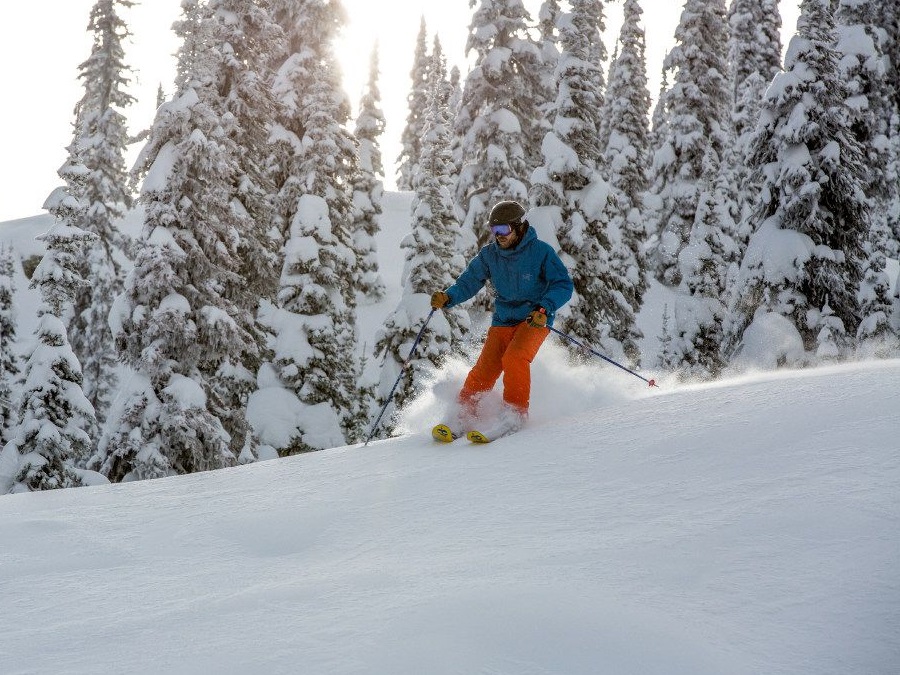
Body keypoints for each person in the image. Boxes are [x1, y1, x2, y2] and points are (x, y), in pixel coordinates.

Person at [431, 200, 573, 438]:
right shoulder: (490, 255)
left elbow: (563, 284)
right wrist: (448, 297)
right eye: (494, 230)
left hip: (533, 319)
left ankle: (514, 413)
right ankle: (463, 414)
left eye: (503, 230)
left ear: (518, 227)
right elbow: (469, 281)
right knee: (484, 369)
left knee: (515, 357)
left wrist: (544, 308)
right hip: (503, 320)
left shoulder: (541, 252)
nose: (498, 236)